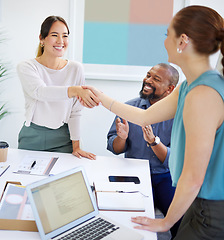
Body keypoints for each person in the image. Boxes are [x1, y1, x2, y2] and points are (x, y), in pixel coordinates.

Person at [83, 5, 224, 239]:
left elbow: (193, 175)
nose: (165, 41)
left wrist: (165, 223)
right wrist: (101, 97)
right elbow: (144, 116)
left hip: (211, 208)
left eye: (168, 34)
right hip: (198, 201)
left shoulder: (203, 94)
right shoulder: (190, 86)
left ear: (183, 41)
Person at [107, 63, 180, 238]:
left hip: (164, 176)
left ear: (170, 89)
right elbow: (115, 149)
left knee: (180, 220)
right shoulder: (128, 108)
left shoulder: (179, 115)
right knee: (120, 218)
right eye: (148, 75)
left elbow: (175, 160)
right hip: (132, 174)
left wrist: (154, 142)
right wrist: (121, 138)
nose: (147, 81)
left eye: (156, 79)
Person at [17, 16, 99, 159]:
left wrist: (77, 146)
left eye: (65, 36)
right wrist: (74, 90)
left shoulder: (76, 68)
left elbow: (75, 112)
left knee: (63, 180)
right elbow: (40, 92)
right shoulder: (27, 67)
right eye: (54, 35)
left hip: (63, 138)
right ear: (41, 39)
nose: (61, 41)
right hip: (32, 136)